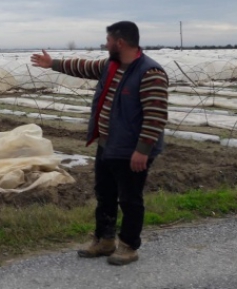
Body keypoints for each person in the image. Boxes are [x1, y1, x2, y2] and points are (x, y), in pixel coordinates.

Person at [31, 21, 169, 265]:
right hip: (108, 144)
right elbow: (83, 67)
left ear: (120, 43)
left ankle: (128, 246)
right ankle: (105, 240)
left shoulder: (149, 73)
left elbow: (156, 116)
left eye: (107, 40)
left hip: (132, 150)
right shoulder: (111, 66)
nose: (105, 44)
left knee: (130, 199)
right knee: (105, 194)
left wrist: (142, 151)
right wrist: (52, 63)